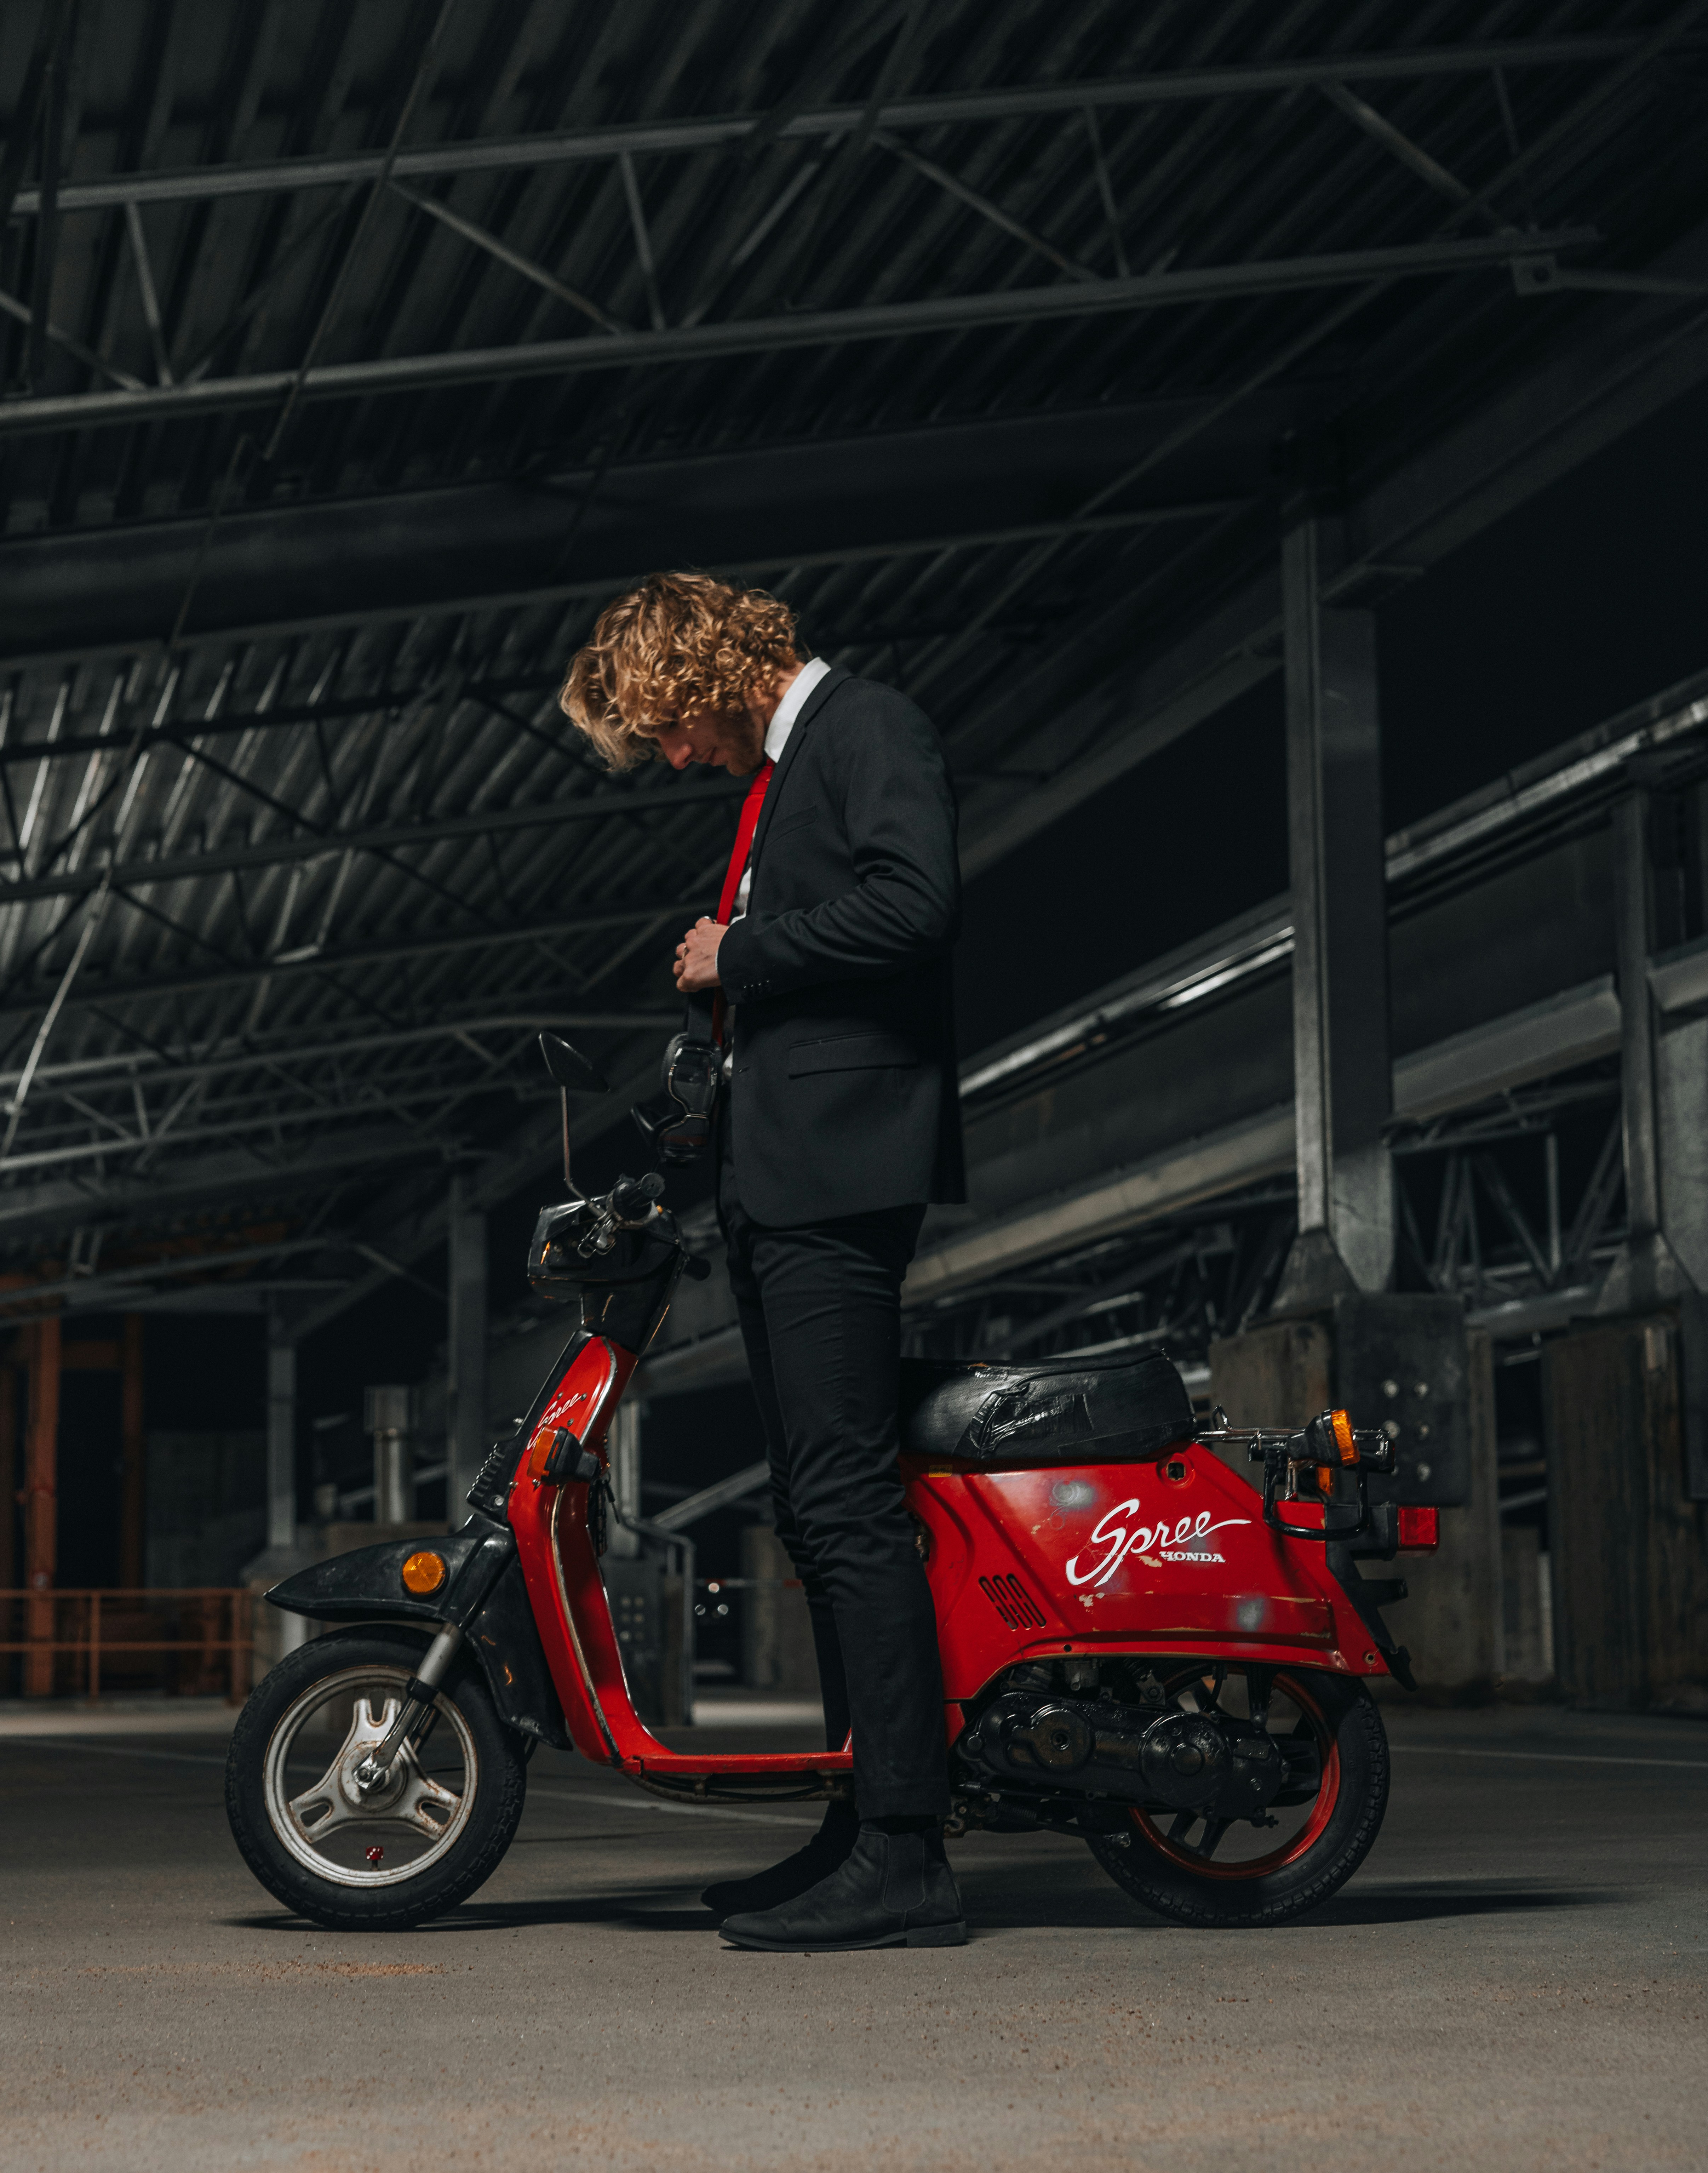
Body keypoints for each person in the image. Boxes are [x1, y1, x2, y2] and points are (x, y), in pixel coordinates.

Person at [561, 570, 967, 1952]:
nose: (671, 754)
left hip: (844, 1172)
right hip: (778, 1175)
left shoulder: (866, 729)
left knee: (847, 1502)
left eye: (669, 724)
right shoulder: (780, 777)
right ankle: (861, 1821)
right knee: (812, 1507)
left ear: (714, 673)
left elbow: (916, 905)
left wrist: (741, 947)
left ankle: (909, 1847)